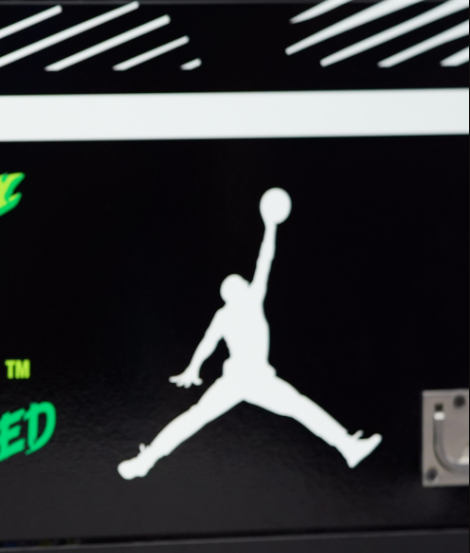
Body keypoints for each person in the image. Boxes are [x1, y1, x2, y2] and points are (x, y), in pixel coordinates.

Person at [117, 188, 381, 480]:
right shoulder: (242, 305)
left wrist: (193, 368)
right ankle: (146, 460)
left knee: (206, 416)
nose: (246, 281)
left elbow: (262, 265)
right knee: (293, 408)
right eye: (240, 282)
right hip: (243, 378)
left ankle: (348, 446)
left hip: (255, 377)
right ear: (233, 291)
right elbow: (261, 266)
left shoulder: (236, 307)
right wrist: (269, 227)